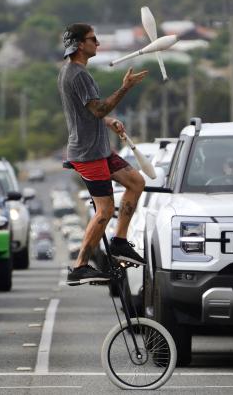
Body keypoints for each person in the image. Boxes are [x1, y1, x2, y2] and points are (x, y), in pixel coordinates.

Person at [58, 23, 148, 286]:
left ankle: (119, 242)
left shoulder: (72, 72)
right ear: (79, 44)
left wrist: (108, 122)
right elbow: (97, 109)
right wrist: (125, 88)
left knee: (136, 182)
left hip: (98, 149)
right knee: (105, 210)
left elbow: (86, 112)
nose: (97, 43)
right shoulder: (78, 75)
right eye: (92, 39)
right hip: (88, 154)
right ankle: (80, 266)